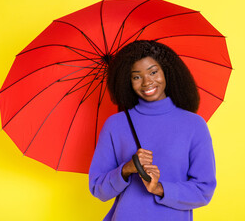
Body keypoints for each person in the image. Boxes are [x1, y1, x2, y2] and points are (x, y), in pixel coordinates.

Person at [89, 40, 216, 221]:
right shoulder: (116, 125)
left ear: (166, 72)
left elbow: (204, 190)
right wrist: (126, 169)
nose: (147, 82)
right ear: (128, 80)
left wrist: (160, 188)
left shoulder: (194, 125)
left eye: (153, 72)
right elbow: (98, 189)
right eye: (136, 76)